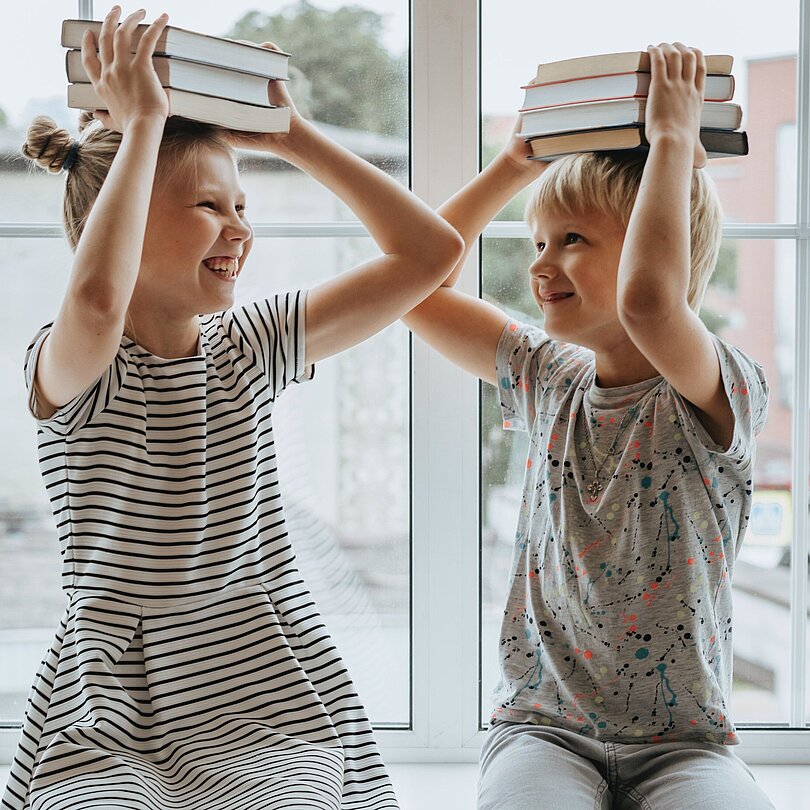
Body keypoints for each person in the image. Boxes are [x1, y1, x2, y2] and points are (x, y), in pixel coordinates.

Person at [2, 7, 463, 809]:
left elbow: (430, 255)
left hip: (263, 693)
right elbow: (100, 294)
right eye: (211, 206)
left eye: (243, 205)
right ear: (121, 226)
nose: (240, 228)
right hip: (113, 709)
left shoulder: (248, 344)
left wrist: (295, 137)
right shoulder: (75, 362)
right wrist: (143, 122)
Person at [403, 43, 773, 808]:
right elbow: (411, 288)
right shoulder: (547, 376)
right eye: (539, 241)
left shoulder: (716, 386)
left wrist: (674, 140)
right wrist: (512, 167)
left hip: (686, 744)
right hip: (542, 731)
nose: (541, 266)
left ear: (657, 249)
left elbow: (649, 304)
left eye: (574, 240)